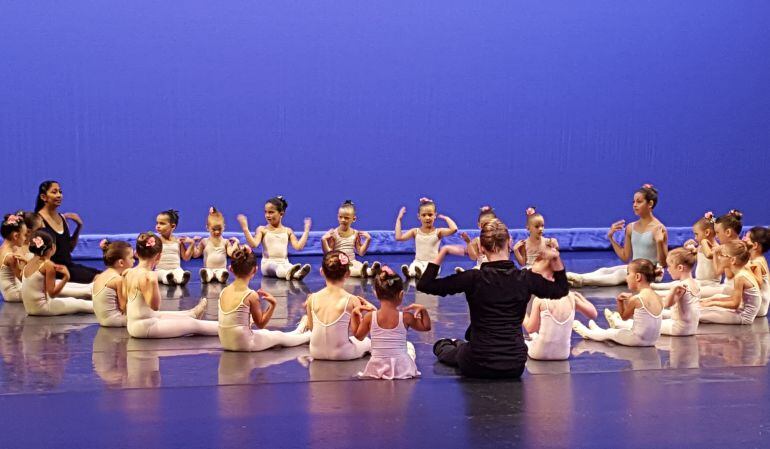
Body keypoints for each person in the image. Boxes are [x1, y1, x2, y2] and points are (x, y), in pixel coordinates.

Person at [418, 219, 569, 378]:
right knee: (464, 347)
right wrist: (555, 259)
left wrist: (444, 251)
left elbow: (425, 284)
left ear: (482, 249)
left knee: (444, 347)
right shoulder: (525, 278)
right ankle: (460, 344)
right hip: (514, 364)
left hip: (478, 362)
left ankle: (447, 343)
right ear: (509, 243)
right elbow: (561, 289)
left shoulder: (473, 278)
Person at [567, 184, 667, 287]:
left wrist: (659, 242)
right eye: (633, 202)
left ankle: (581, 280)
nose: (635, 205)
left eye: (639, 202)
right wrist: (611, 238)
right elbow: (625, 257)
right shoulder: (630, 227)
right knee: (604, 270)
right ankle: (573, 278)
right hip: (635, 268)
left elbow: (663, 264)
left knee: (620, 274)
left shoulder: (658, 228)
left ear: (650, 204)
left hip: (652, 273)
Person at [218, 245, 310, 351]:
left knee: (266, 333)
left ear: (230, 269)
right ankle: (308, 335)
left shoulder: (223, 291)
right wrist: (273, 304)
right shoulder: (250, 295)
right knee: (278, 336)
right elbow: (261, 324)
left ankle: (298, 330)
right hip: (245, 344)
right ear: (255, 270)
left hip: (225, 343)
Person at [352, 266, 431, 379]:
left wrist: (355, 315)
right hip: (402, 367)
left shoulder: (370, 317)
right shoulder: (405, 317)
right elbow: (426, 327)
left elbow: (358, 336)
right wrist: (423, 310)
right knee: (409, 346)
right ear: (401, 294)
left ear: (375, 293)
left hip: (377, 366)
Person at [34, 180, 101, 283]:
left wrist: (79, 226)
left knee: (103, 274)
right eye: (54, 192)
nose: (59, 195)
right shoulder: (39, 220)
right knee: (99, 279)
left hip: (69, 266)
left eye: (60, 192)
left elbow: (68, 249)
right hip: (56, 269)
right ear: (43, 197)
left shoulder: (62, 218)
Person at [238, 196, 312, 280]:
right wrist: (245, 229)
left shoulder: (288, 231)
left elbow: (298, 247)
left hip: (284, 262)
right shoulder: (262, 229)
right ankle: (289, 273)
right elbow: (254, 245)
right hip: (268, 264)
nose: (267, 215)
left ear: (281, 213)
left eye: (271, 212)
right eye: (265, 212)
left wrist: (306, 231)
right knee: (276, 267)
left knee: (288, 265)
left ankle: (297, 274)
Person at [395, 197, 458, 279]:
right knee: (414, 267)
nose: (427, 218)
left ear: (435, 215)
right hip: (418, 262)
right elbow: (398, 237)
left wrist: (446, 218)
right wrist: (399, 219)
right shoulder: (415, 231)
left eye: (430, 215)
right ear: (419, 216)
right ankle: (411, 273)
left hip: (433, 263)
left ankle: (417, 274)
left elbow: (454, 229)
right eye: (424, 215)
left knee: (429, 271)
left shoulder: (438, 232)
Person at [321, 200, 379, 277]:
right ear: (337, 216)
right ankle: (364, 272)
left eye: (346, 218)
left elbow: (361, 253)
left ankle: (369, 271)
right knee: (349, 270)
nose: (343, 220)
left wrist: (368, 240)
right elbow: (329, 254)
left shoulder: (355, 233)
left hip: (352, 261)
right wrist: (323, 240)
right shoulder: (334, 234)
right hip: (339, 263)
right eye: (340, 217)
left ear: (353, 219)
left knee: (359, 265)